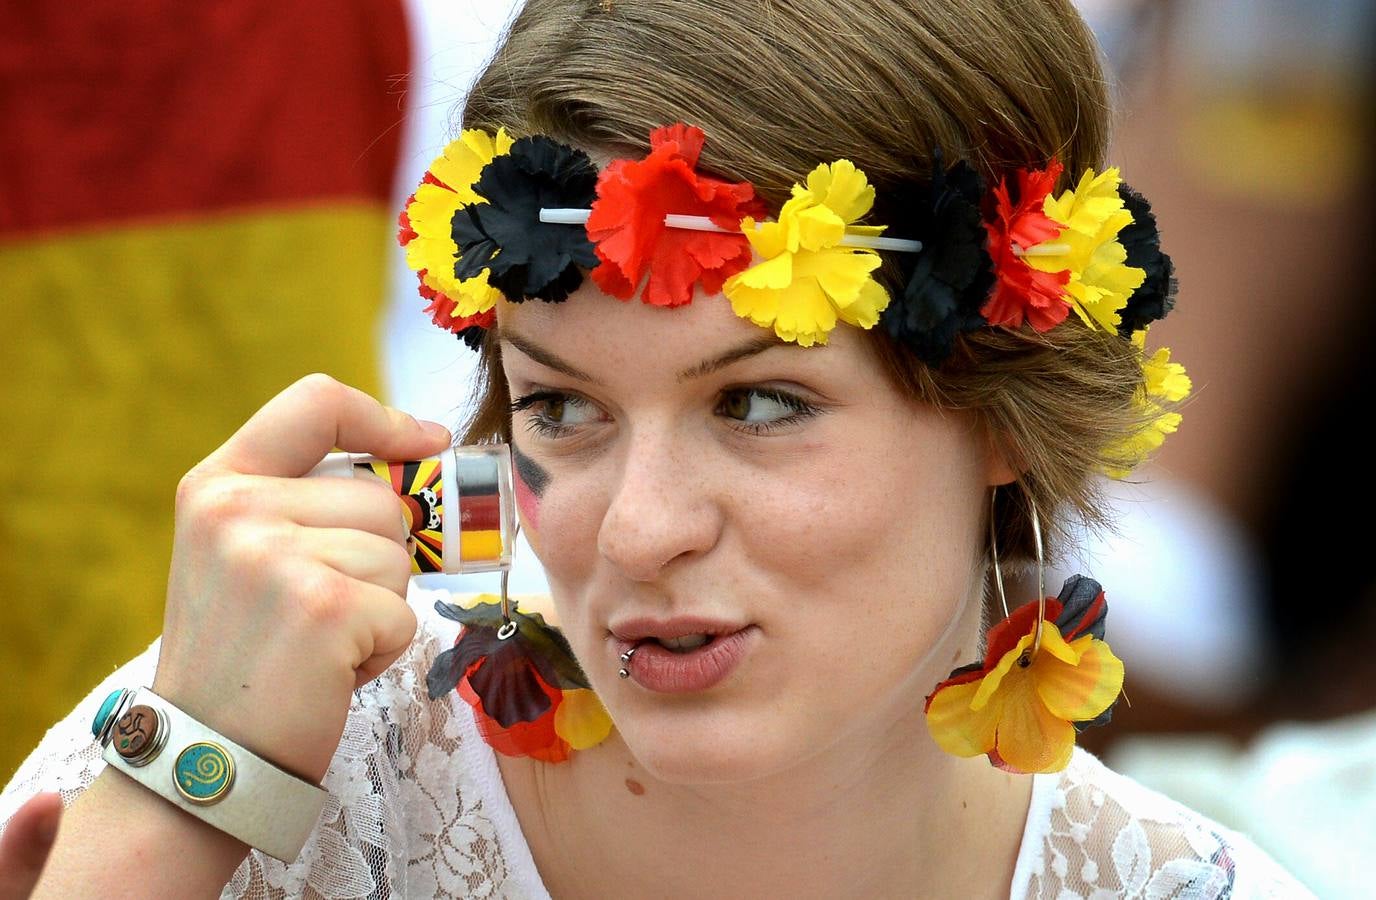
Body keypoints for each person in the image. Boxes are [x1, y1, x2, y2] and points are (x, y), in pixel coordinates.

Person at [0, 0, 1314, 896]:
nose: (635, 531)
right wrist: (173, 818)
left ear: (1002, 411)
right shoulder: (229, 758)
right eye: (563, 408)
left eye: (757, 406)